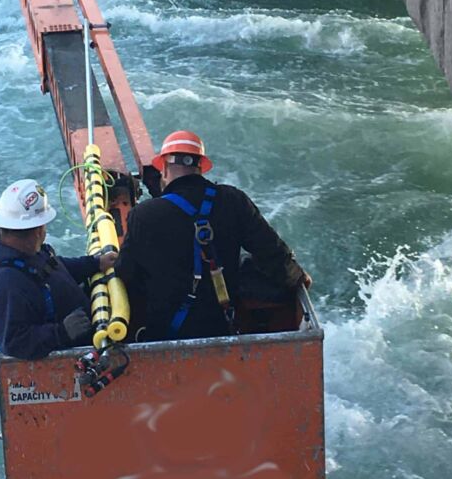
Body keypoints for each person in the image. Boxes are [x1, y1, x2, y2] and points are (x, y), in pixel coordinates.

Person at [116, 130, 311, 342]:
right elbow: (270, 250)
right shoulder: (233, 200)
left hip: (165, 334)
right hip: (221, 327)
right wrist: (298, 277)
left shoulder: (143, 215)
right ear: (200, 167)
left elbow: (126, 273)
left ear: (163, 168)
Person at [0, 178, 118, 360]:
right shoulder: (5, 284)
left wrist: (95, 263)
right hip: (66, 367)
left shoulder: (27, 254)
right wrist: (61, 331)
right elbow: (14, 343)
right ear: (38, 231)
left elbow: (56, 267)